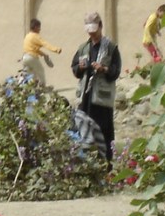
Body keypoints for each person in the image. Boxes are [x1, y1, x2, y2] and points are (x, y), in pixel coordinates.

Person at [71, 11, 122, 167]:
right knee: (83, 129)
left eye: (95, 31)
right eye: (89, 32)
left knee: (104, 130)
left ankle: (106, 163)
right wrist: (80, 68)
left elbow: (116, 70)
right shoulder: (83, 48)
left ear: (100, 26)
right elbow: (74, 68)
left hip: (101, 98)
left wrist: (104, 69)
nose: (92, 35)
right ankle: (87, 163)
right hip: (85, 97)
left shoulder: (110, 47)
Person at [21, 18, 62, 84]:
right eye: (39, 27)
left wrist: (43, 54)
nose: (40, 29)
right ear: (35, 27)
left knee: (29, 75)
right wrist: (56, 49)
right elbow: (45, 44)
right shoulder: (35, 36)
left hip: (25, 58)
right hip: (32, 58)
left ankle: (26, 89)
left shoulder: (27, 36)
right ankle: (42, 87)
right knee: (40, 71)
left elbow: (34, 49)